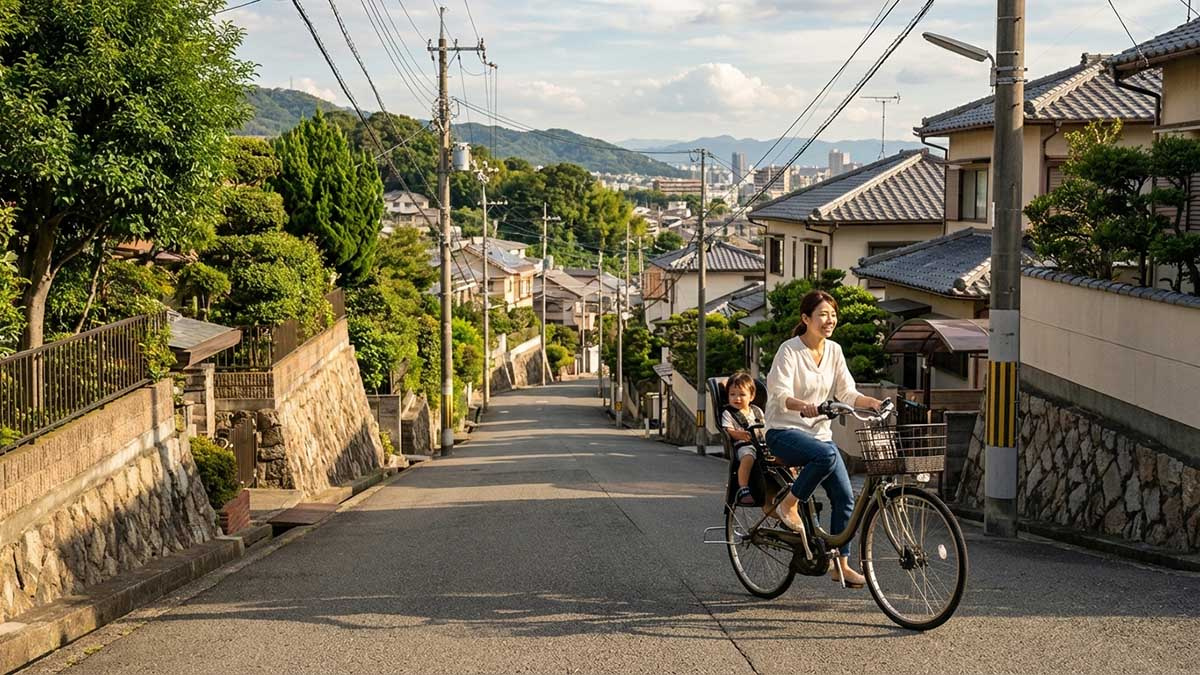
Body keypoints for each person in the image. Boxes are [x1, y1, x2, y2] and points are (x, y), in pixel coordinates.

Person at [764, 289, 882, 589]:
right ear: (806, 319)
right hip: (784, 431)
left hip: (819, 435)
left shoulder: (835, 351)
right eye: (822, 315)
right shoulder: (789, 350)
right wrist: (802, 405)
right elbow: (778, 394)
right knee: (827, 456)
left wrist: (872, 403)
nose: (829, 320)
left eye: (833, 315)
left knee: (845, 498)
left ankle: (839, 565)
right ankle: (789, 504)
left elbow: (847, 392)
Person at [719, 372, 767, 506]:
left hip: (761, 443)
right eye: (732, 394)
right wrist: (737, 434)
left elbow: (764, 427)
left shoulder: (757, 411)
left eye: (742, 394)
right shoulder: (728, 413)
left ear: (751, 396)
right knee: (748, 456)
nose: (737, 398)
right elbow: (727, 430)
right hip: (743, 444)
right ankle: (743, 488)